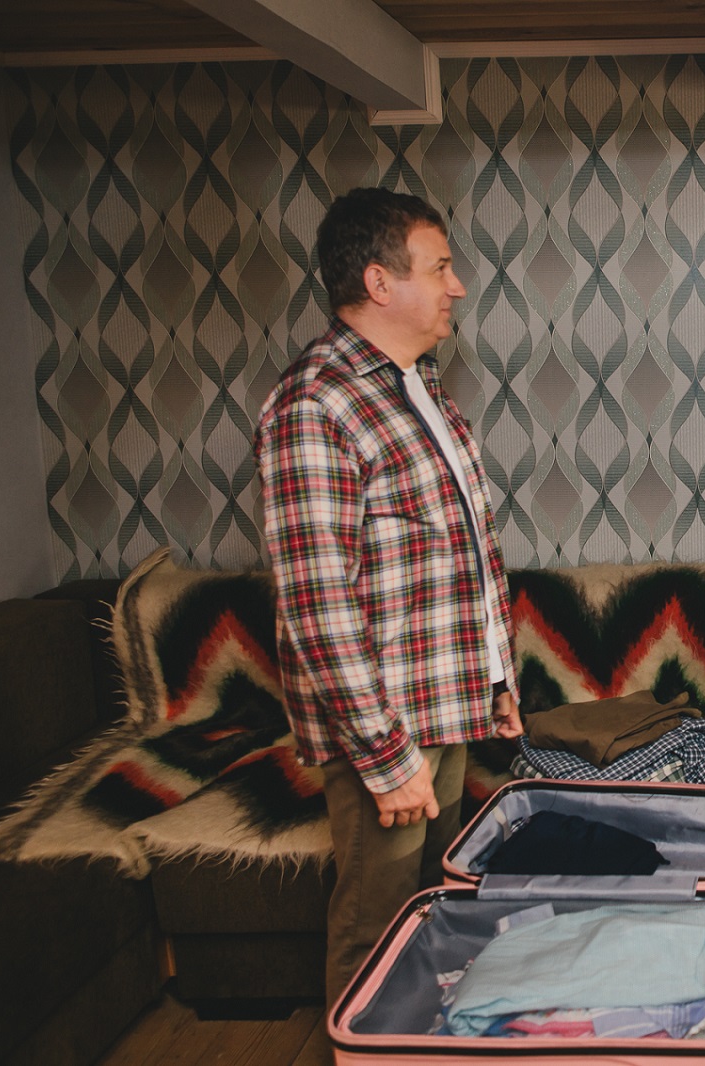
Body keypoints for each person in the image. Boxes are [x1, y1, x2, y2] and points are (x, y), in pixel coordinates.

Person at [255, 187, 524, 1005]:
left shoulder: (418, 387)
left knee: (437, 909)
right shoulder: (316, 403)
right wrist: (382, 758)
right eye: (439, 267)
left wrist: (496, 678)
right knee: (379, 926)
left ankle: (432, 1045)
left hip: (442, 703)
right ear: (379, 282)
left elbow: (460, 553)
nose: (457, 286)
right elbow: (316, 607)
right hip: (389, 728)